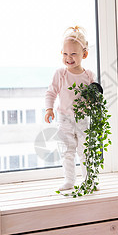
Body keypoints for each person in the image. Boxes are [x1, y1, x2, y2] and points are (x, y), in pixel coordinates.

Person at [45, 26, 96, 191]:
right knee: (67, 151)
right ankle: (69, 180)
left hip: (83, 119)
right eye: (65, 54)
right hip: (64, 119)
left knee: (85, 151)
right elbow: (51, 93)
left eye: (73, 54)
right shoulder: (60, 74)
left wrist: (93, 101)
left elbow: (96, 97)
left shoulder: (89, 76)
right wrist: (49, 109)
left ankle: (90, 180)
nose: (69, 58)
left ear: (84, 54)